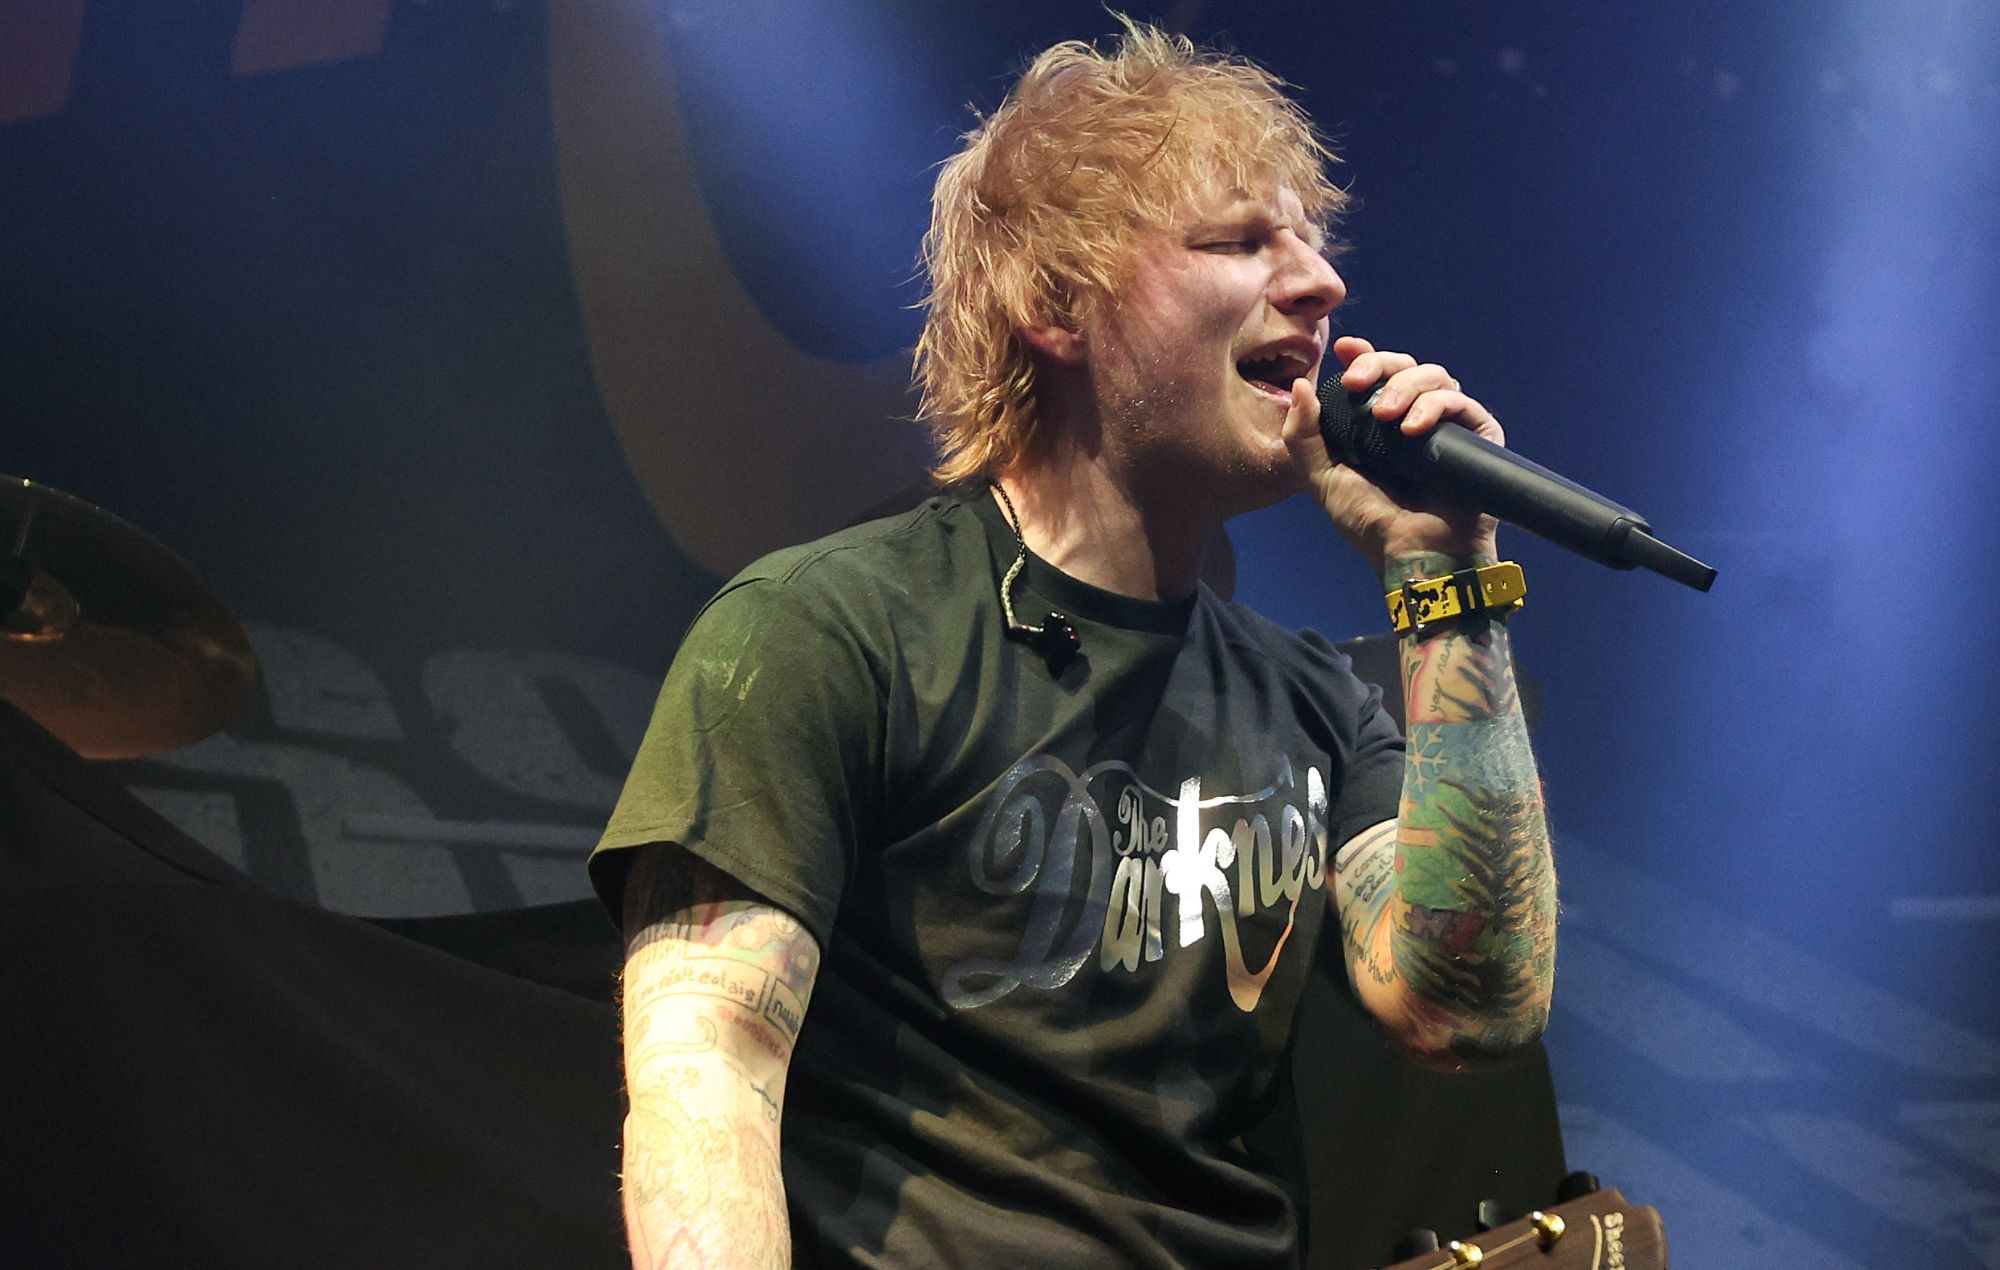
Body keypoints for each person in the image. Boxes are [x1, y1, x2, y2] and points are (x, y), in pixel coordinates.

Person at [590, 20, 1556, 1269]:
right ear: (1053, 303)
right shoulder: (829, 631)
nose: (1318, 283)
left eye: (1312, 242)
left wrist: (1447, 578)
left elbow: (1470, 1008)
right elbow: (706, 1075)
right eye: (1239, 241)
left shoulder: (1310, 700)